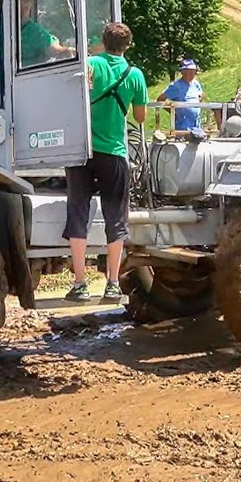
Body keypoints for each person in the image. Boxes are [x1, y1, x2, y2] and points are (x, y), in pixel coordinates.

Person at [64, 22, 149, 303]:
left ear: (102, 41)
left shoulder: (90, 63)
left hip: (82, 150)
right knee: (116, 217)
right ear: (128, 45)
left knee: (78, 212)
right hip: (114, 152)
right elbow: (140, 118)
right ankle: (112, 284)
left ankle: (80, 284)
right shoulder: (135, 75)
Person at [157, 59, 205, 132]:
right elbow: (160, 99)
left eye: (194, 71)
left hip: (196, 125)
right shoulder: (176, 86)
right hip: (182, 126)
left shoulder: (196, 84)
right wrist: (173, 112)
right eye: (190, 71)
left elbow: (201, 95)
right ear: (183, 72)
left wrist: (198, 102)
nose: (192, 74)